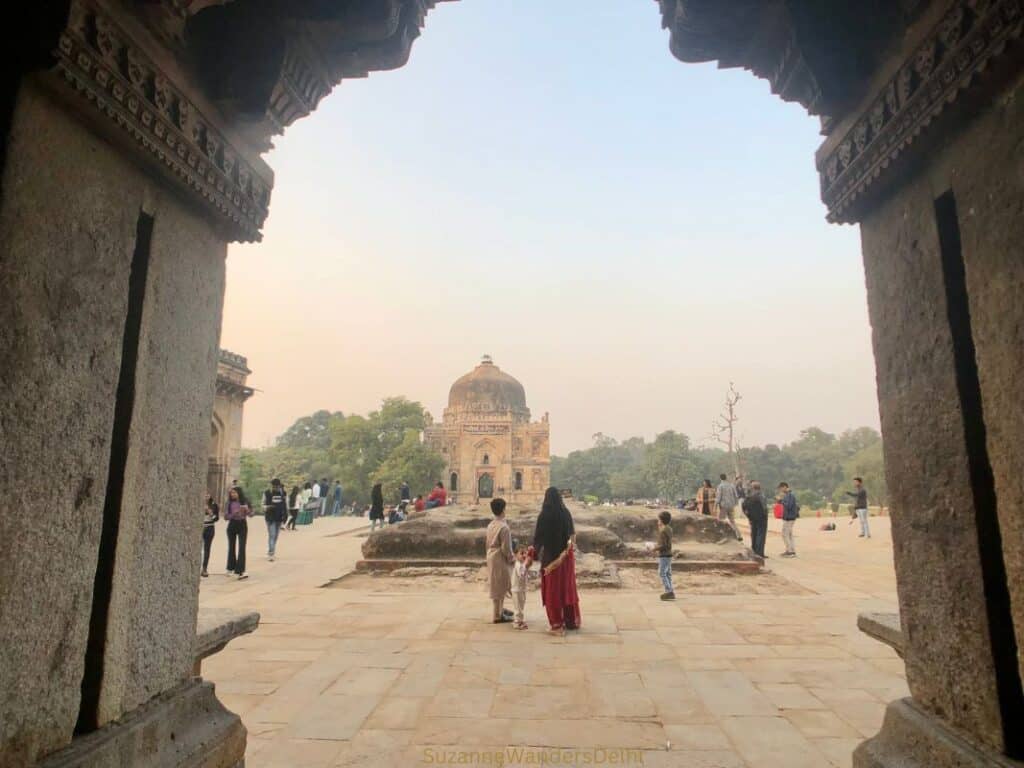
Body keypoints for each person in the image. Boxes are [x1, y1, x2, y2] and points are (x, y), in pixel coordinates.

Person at [532, 487, 581, 635]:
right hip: (565, 558)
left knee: (553, 591)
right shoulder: (565, 513)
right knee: (567, 588)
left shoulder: (544, 515)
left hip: (550, 558)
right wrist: (567, 552)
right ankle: (571, 621)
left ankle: (557, 625)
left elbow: (538, 539)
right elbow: (572, 537)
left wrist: (532, 555)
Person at [486, 498, 514, 624]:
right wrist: (511, 558)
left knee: (496, 584)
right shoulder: (504, 528)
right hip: (500, 557)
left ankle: (500, 610)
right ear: (503, 509)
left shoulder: (491, 525)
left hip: (491, 555)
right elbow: (506, 548)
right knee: (500, 585)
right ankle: (497, 615)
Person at [224, 485, 252, 579]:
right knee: (231, 547)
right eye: (231, 493)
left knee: (242, 547)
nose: (232, 494)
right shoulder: (229, 503)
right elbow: (226, 517)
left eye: (234, 492)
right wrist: (234, 514)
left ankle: (241, 570)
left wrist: (247, 510)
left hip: (242, 525)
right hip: (232, 524)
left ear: (239, 493)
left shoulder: (245, 501)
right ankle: (230, 567)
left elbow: (252, 514)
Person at [262, 478, 288, 561]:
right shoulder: (267, 493)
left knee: (276, 536)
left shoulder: (283, 494)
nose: (276, 488)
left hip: (279, 517)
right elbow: (263, 504)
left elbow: (285, 505)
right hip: (270, 517)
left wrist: (285, 515)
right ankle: (271, 553)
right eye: (274, 486)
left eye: (277, 486)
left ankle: (272, 549)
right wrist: (268, 507)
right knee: (272, 535)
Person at [741, 481, 768, 559]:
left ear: (752, 488)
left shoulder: (749, 496)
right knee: (761, 535)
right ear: (760, 487)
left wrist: (749, 516)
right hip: (761, 518)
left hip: (752, 518)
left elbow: (744, 507)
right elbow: (764, 508)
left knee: (754, 534)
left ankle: (754, 551)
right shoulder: (761, 496)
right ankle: (760, 553)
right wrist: (764, 515)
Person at [715, 473, 742, 542]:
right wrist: (735, 504)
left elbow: (718, 497)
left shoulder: (720, 486)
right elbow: (736, 495)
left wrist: (715, 505)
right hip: (731, 506)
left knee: (721, 521)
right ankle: (738, 535)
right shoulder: (731, 485)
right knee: (732, 521)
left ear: (720, 478)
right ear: (726, 478)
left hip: (723, 506)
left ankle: (722, 536)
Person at [655, 510, 675, 600]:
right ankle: (670, 590)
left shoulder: (663, 531)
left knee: (662, 573)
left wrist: (654, 548)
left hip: (664, 555)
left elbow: (664, 545)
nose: (657, 521)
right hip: (669, 554)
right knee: (667, 573)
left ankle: (669, 591)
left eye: (658, 520)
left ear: (661, 521)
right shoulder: (669, 529)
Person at [511, 545, 531, 629]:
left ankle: (520, 620)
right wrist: (526, 563)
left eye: (525, 553)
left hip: (521, 589)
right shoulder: (517, 564)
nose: (524, 555)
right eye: (521, 553)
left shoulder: (521, 564)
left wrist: (527, 564)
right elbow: (521, 574)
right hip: (517, 590)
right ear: (515, 555)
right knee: (518, 607)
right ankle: (517, 622)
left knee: (521, 605)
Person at [778, 482, 800, 557]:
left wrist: (781, 500)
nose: (780, 490)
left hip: (789, 518)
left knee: (785, 534)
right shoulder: (788, 495)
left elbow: (789, 506)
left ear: (784, 487)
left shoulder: (789, 495)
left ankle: (790, 551)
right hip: (789, 517)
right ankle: (791, 550)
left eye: (781, 488)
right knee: (789, 534)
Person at [201, 492, 219, 578]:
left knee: (207, 549)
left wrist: (210, 512)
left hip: (209, 528)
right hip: (200, 528)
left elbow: (216, 518)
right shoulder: (197, 503)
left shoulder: (214, 505)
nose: (206, 497)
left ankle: (204, 568)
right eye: (205, 495)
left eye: (208, 495)